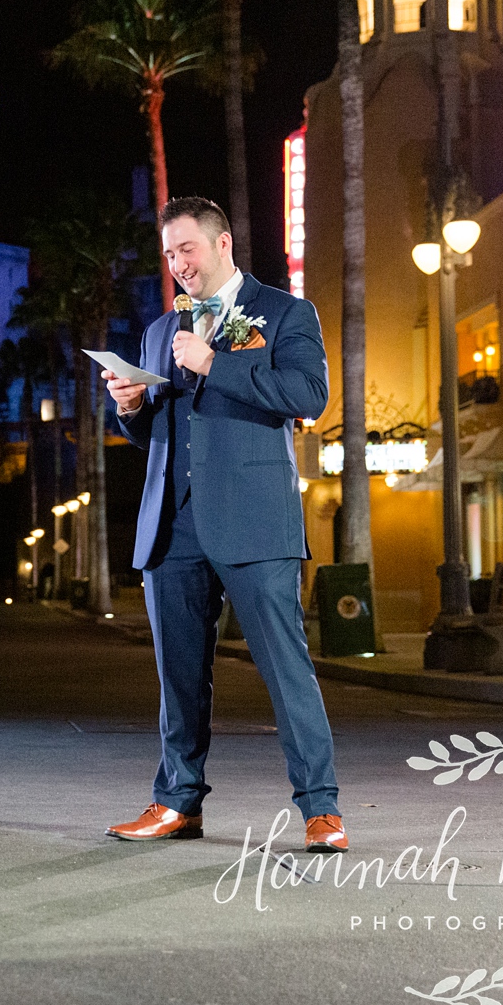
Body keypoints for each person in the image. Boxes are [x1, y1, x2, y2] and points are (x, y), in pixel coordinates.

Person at [101, 196, 348, 853]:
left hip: (254, 523)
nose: (178, 263)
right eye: (169, 253)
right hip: (171, 526)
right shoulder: (160, 331)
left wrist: (216, 363)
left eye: (187, 248)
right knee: (179, 678)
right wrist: (129, 407)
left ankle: (321, 809)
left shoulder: (286, 313)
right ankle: (176, 802)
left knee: (286, 670)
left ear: (222, 245)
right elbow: (160, 428)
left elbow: (307, 396)